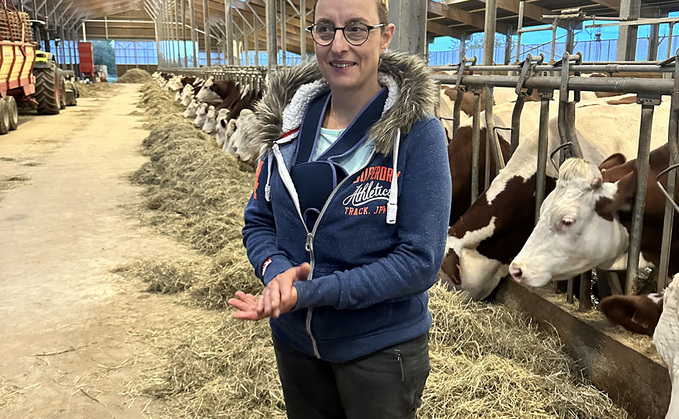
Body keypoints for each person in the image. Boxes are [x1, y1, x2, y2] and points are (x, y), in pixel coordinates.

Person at [228, 0, 451, 417]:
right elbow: (258, 220)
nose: (339, 45)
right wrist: (276, 271)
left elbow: (420, 261)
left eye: (357, 29)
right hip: (295, 341)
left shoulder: (418, 135)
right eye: (325, 29)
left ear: (385, 36)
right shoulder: (284, 130)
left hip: (380, 349)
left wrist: (309, 292)